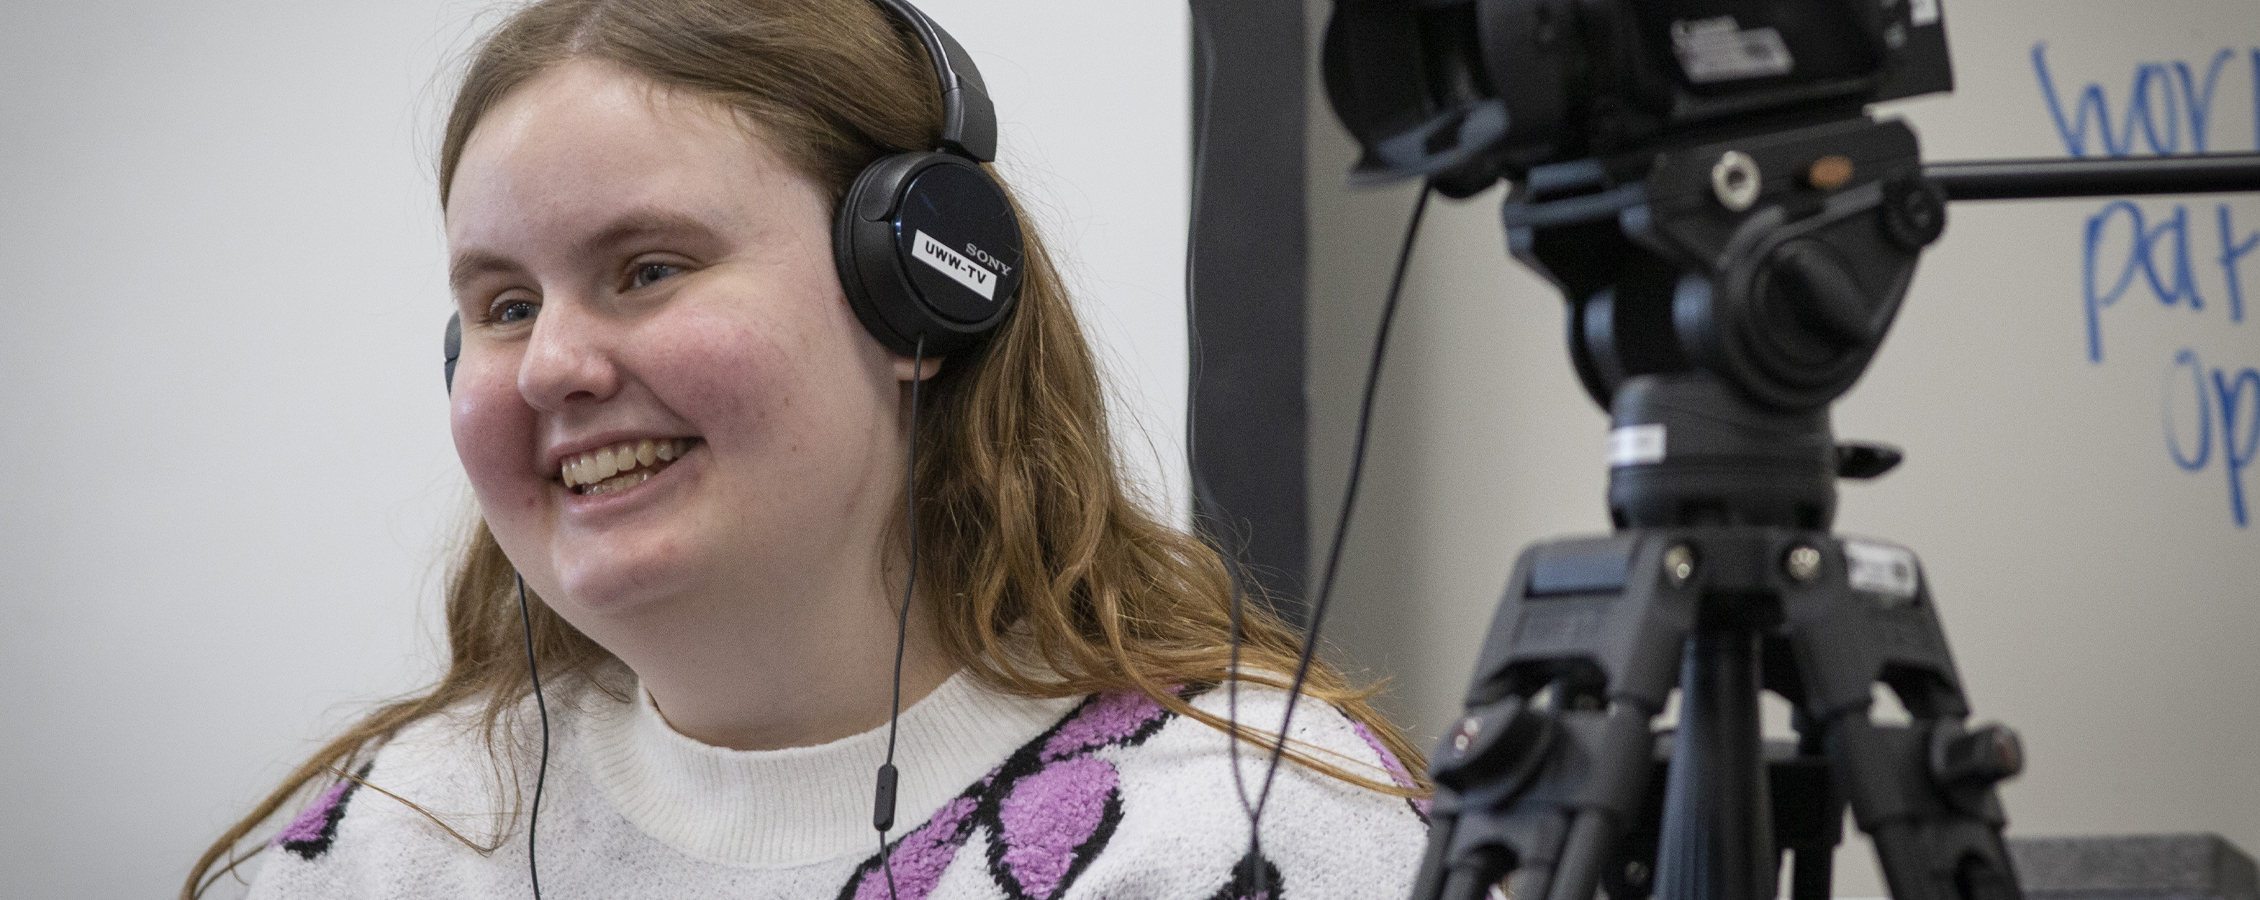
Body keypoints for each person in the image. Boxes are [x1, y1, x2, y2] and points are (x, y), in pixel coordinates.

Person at [186, 0, 1429, 897]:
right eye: (504, 307)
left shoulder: (1249, 828)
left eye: (648, 269)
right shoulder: (392, 839)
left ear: (919, 289)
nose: (554, 364)